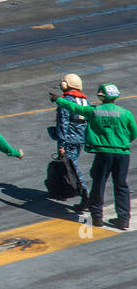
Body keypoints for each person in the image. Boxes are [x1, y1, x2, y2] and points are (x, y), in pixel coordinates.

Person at [54, 83, 137, 230]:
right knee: (121, 185)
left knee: (98, 184)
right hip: (122, 154)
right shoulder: (125, 113)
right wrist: (121, 141)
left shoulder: (95, 110)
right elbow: (133, 133)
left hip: (103, 153)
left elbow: (75, 108)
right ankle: (124, 219)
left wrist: (58, 100)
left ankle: (97, 217)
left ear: (101, 95)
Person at [52, 73, 89, 209]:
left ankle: (85, 194)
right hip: (81, 138)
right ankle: (65, 190)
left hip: (69, 139)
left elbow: (63, 124)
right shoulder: (85, 100)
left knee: (72, 167)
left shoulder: (66, 101)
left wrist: (61, 144)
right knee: (70, 165)